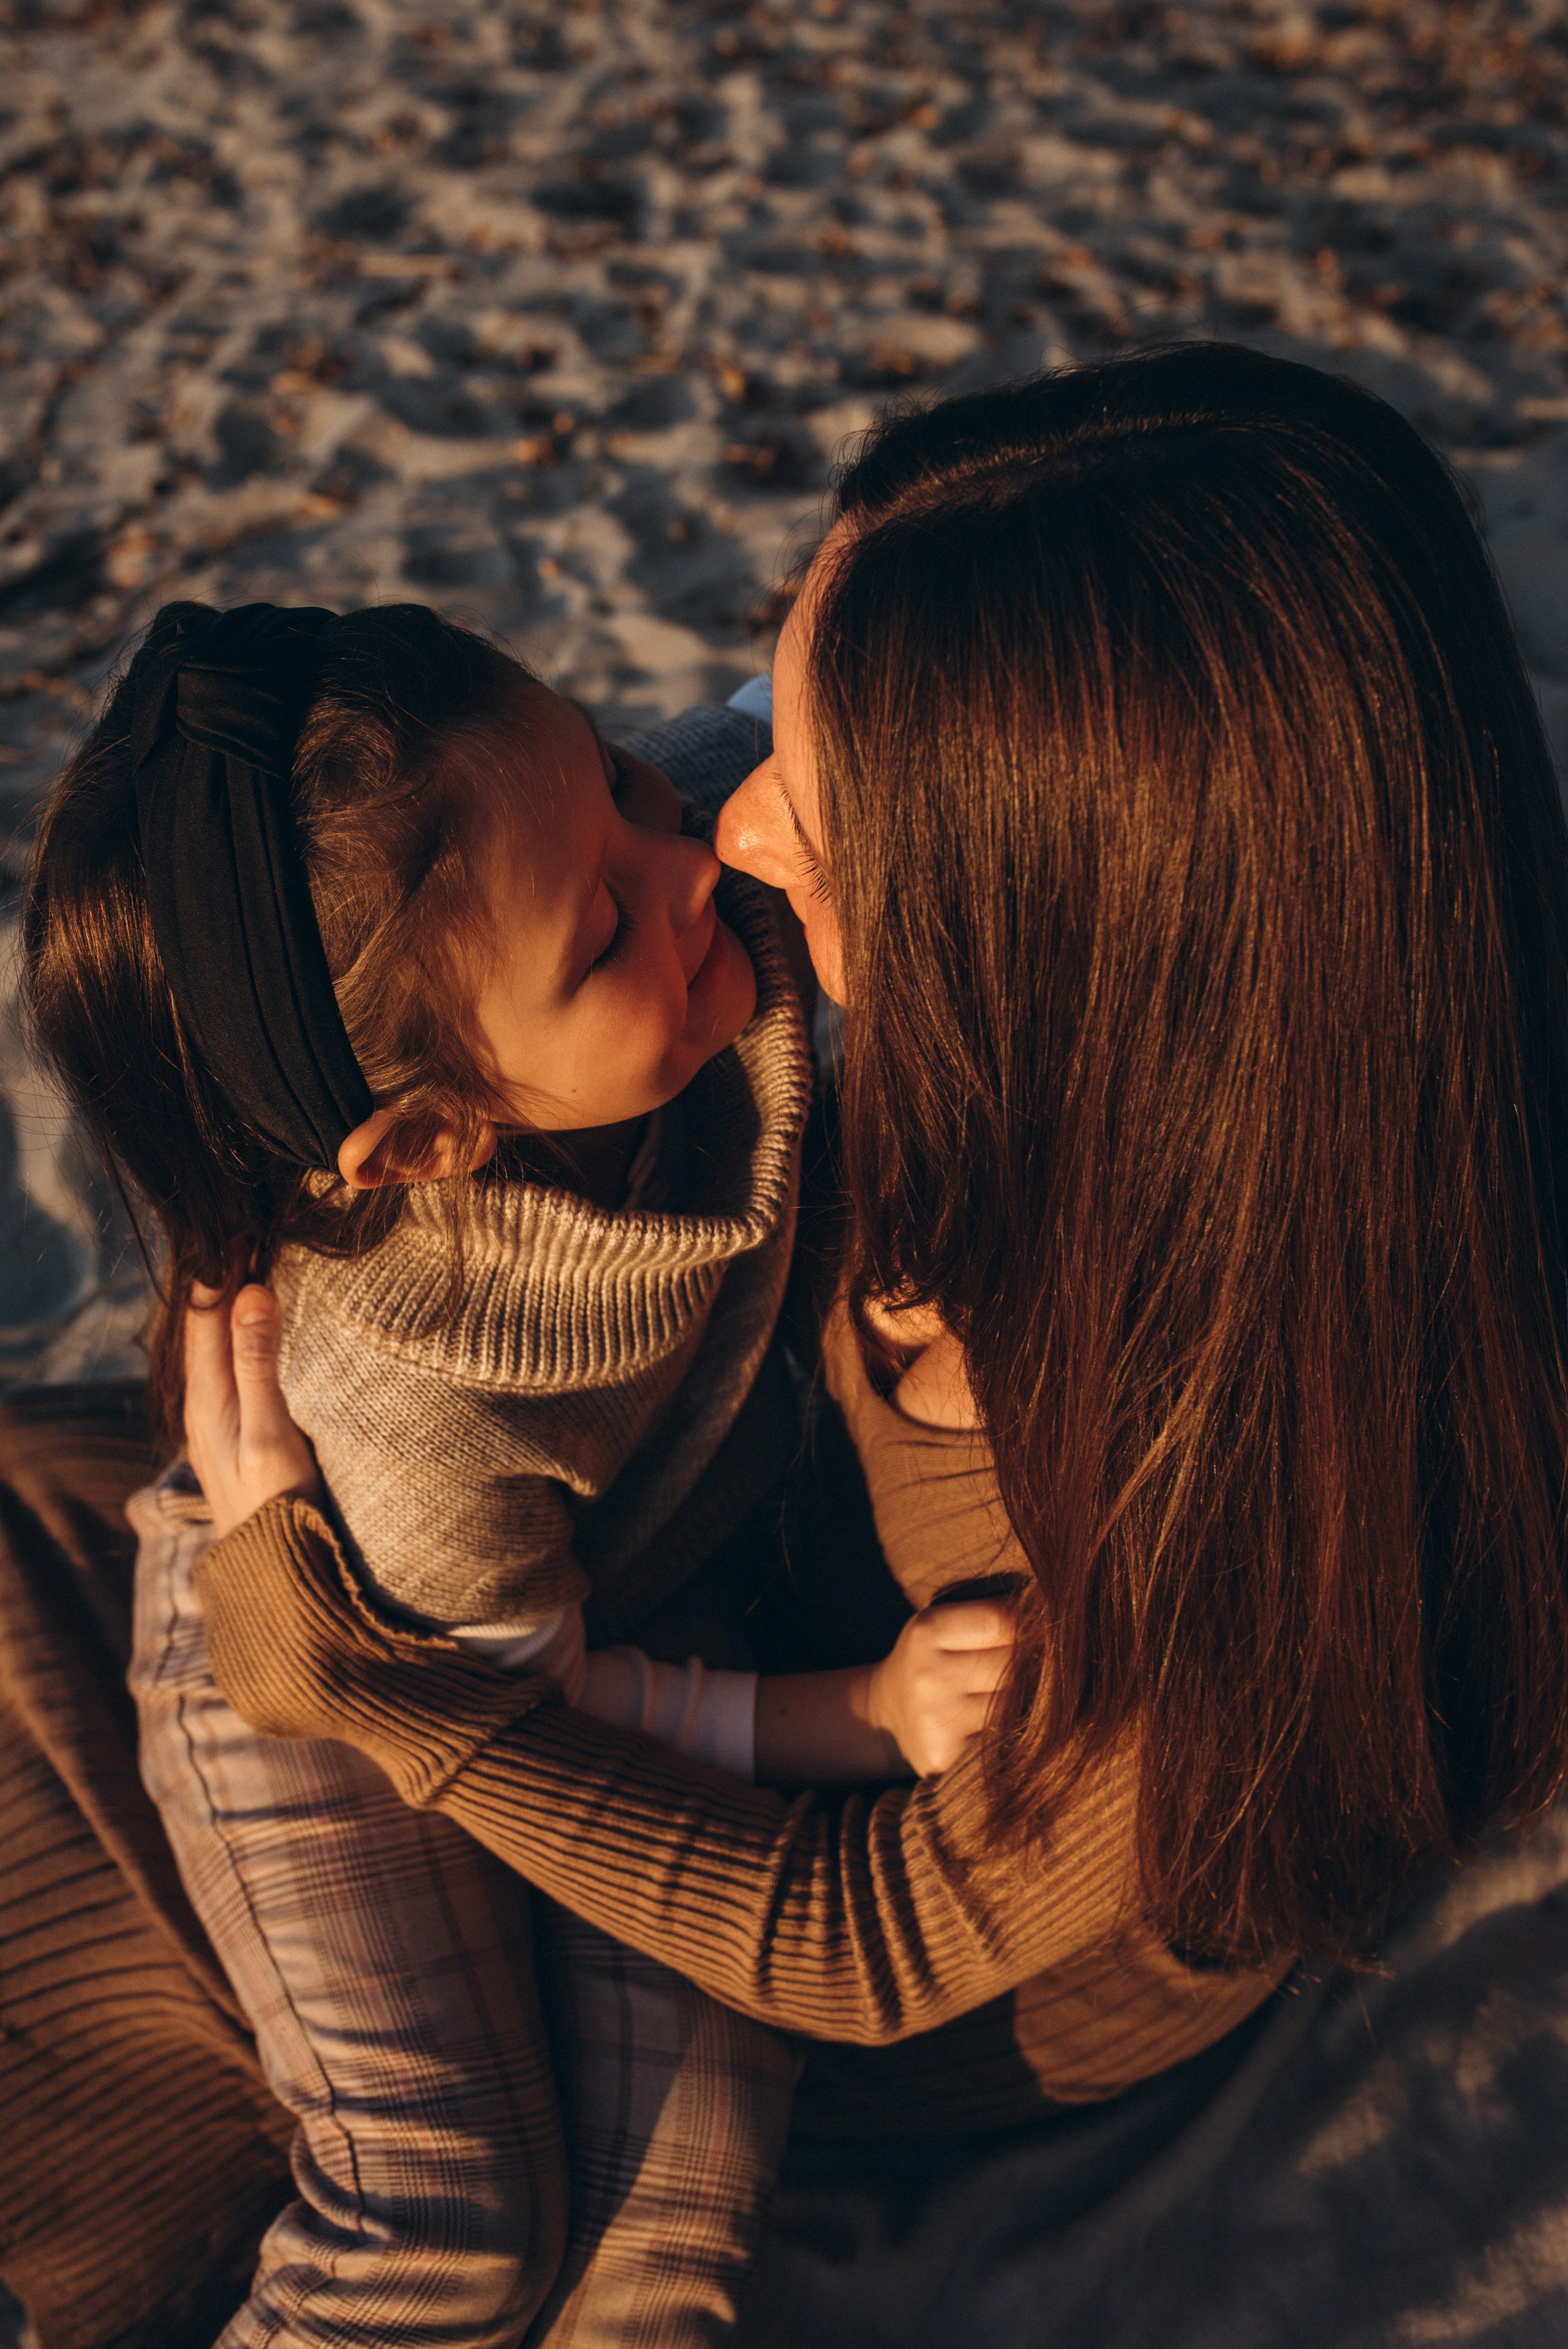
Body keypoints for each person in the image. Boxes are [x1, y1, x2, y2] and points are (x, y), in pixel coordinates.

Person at [182, 336, 1568, 2241]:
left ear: (1051, 947)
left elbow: (860, 1942)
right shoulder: (1066, 1053)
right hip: (740, 1630)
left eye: (824, 822)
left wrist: (383, 1692)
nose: (736, 826)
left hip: (870, 1976)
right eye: (779, 718)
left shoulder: (1261, 1500)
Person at [21, 603, 1011, 2349]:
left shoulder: (604, 854)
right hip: (335, 1662)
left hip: (612, 1610)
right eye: (607, 927)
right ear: (428, 1138)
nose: (695, 864)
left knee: (672, 2242)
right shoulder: (413, 1398)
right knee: (447, 2225)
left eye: (619, 775)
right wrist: (858, 1714)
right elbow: (522, 1710)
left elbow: (788, 722)